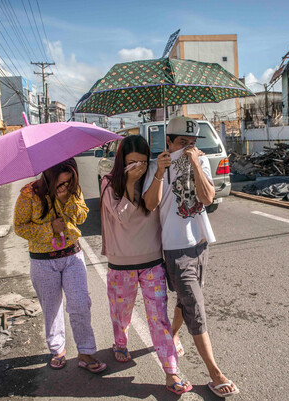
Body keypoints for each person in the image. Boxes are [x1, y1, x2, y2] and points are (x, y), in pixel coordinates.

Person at [143, 117, 240, 398]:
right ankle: (215, 372)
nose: (187, 148)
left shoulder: (202, 161)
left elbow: (208, 198)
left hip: (201, 242)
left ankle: (172, 334)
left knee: (185, 300)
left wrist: (196, 162)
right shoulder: (156, 166)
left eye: (193, 144)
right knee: (195, 307)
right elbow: (150, 205)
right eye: (182, 143)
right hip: (175, 247)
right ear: (169, 142)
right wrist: (161, 172)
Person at [100, 135, 192, 395]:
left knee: (158, 318)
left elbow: (151, 205)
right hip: (121, 264)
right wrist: (129, 182)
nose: (137, 167)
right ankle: (120, 342)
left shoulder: (153, 174)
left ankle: (171, 371)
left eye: (142, 162)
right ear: (122, 162)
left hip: (152, 260)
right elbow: (123, 217)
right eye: (131, 163)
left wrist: (159, 172)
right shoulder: (109, 183)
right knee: (122, 313)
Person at [14, 158, 106, 373]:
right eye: (60, 183)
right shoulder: (28, 194)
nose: (64, 186)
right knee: (52, 308)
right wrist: (49, 228)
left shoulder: (72, 190)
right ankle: (57, 349)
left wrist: (66, 200)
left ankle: (85, 350)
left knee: (80, 303)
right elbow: (19, 227)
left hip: (72, 255)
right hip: (42, 261)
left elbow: (82, 216)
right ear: (49, 178)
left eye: (68, 182)